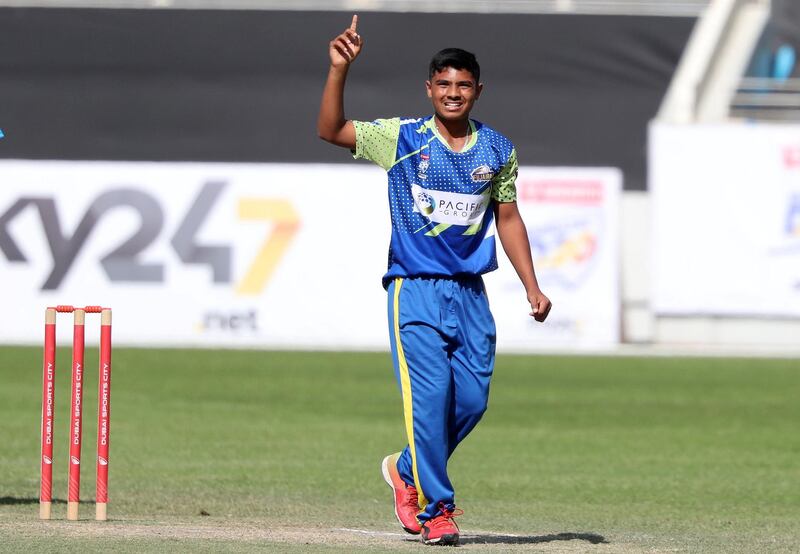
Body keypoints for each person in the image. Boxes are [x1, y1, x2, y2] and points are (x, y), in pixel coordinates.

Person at [317, 15, 552, 547]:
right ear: (429, 89)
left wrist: (531, 287)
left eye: (462, 85)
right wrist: (338, 70)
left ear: (477, 90)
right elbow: (331, 130)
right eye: (443, 84)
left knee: (470, 402)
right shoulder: (401, 138)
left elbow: (508, 219)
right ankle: (436, 508)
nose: (452, 93)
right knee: (431, 399)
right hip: (415, 288)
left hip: (471, 293)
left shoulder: (497, 150)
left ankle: (406, 469)